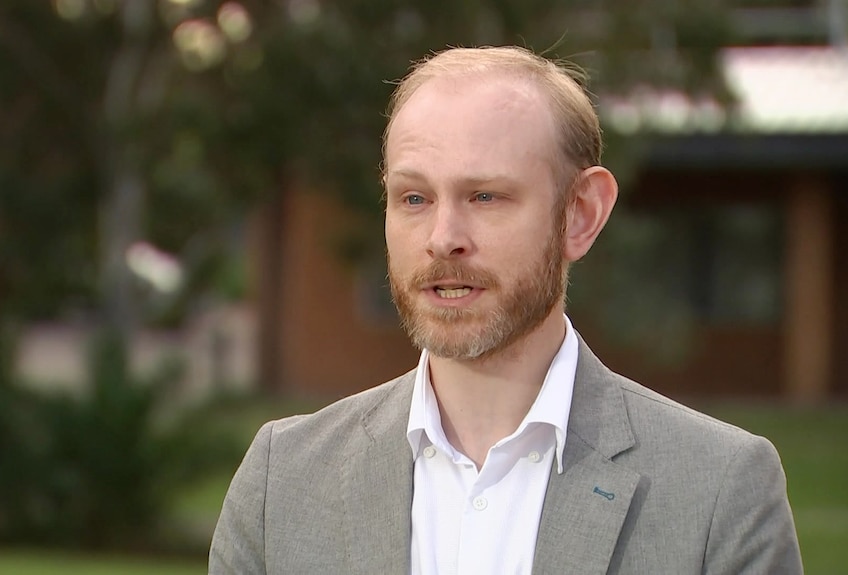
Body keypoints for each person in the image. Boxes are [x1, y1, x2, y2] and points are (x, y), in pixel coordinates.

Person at [209, 45, 803, 574]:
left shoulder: (720, 490)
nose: (443, 237)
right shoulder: (281, 481)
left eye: (485, 196)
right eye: (414, 198)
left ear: (581, 214)